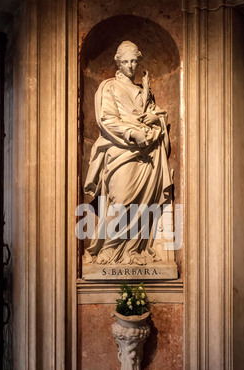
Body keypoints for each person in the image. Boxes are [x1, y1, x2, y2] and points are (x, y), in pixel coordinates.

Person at [84, 41, 172, 265]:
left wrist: (156, 118)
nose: (130, 65)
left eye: (134, 60)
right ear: (118, 62)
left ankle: (134, 250)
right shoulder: (109, 87)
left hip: (146, 155)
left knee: (142, 206)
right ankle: (108, 249)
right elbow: (107, 120)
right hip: (121, 150)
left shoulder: (144, 92)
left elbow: (156, 117)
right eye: (125, 61)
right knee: (121, 200)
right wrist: (132, 133)